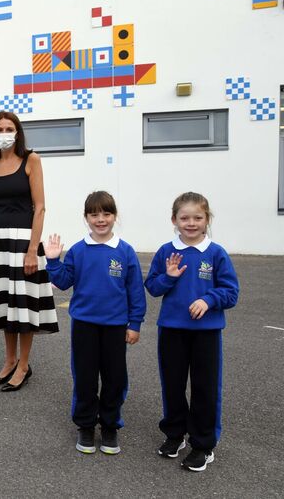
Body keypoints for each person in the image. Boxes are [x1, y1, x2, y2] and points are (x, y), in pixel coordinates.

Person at [44, 191, 146, 455]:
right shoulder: (79, 250)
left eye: (106, 213)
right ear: (86, 217)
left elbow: (135, 291)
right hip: (84, 325)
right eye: (94, 214)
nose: (100, 219)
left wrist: (135, 323)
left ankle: (110, 425)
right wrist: (53, 260)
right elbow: (64, 282)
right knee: (85, 377)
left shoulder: (125, 251)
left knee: (114, 377)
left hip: (115, 326)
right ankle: (86, 425)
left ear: (114, 216)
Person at [145, 192, 239, 472]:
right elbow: (152, 287)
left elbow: (231, 292)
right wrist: (168, 277)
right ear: (174, 220)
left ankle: (203, 445)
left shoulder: (216, 253)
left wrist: (208, 300)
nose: (191, 223)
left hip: (206, 333)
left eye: (198, 217)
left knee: (204, 388)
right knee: (172, 385)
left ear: (207, 219)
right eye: (184, 217)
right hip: (172, 331)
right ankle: (174, 435)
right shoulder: (166, 251)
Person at [0, 111, 58, 392]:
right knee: (4, 303)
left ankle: (24, 364)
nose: (4, 132)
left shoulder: (31, 160)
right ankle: (9, 360)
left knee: (24, 306)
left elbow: (40, 207)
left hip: (24, 241)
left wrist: (32, 250)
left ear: (18, 131)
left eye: (9, 128)